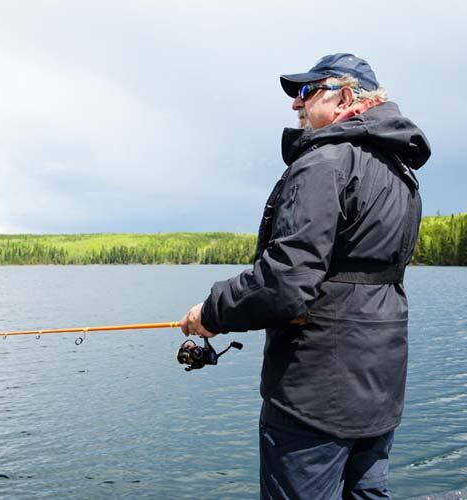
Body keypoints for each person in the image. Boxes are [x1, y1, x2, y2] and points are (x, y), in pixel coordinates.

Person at [180, 53, 431, 499]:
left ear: (347, 98)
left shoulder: (323, 163)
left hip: (315, 393)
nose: (296, 104)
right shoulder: (401, 171)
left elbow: (285, 282)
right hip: (380, 387)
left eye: (306, 92)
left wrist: (212, 312)